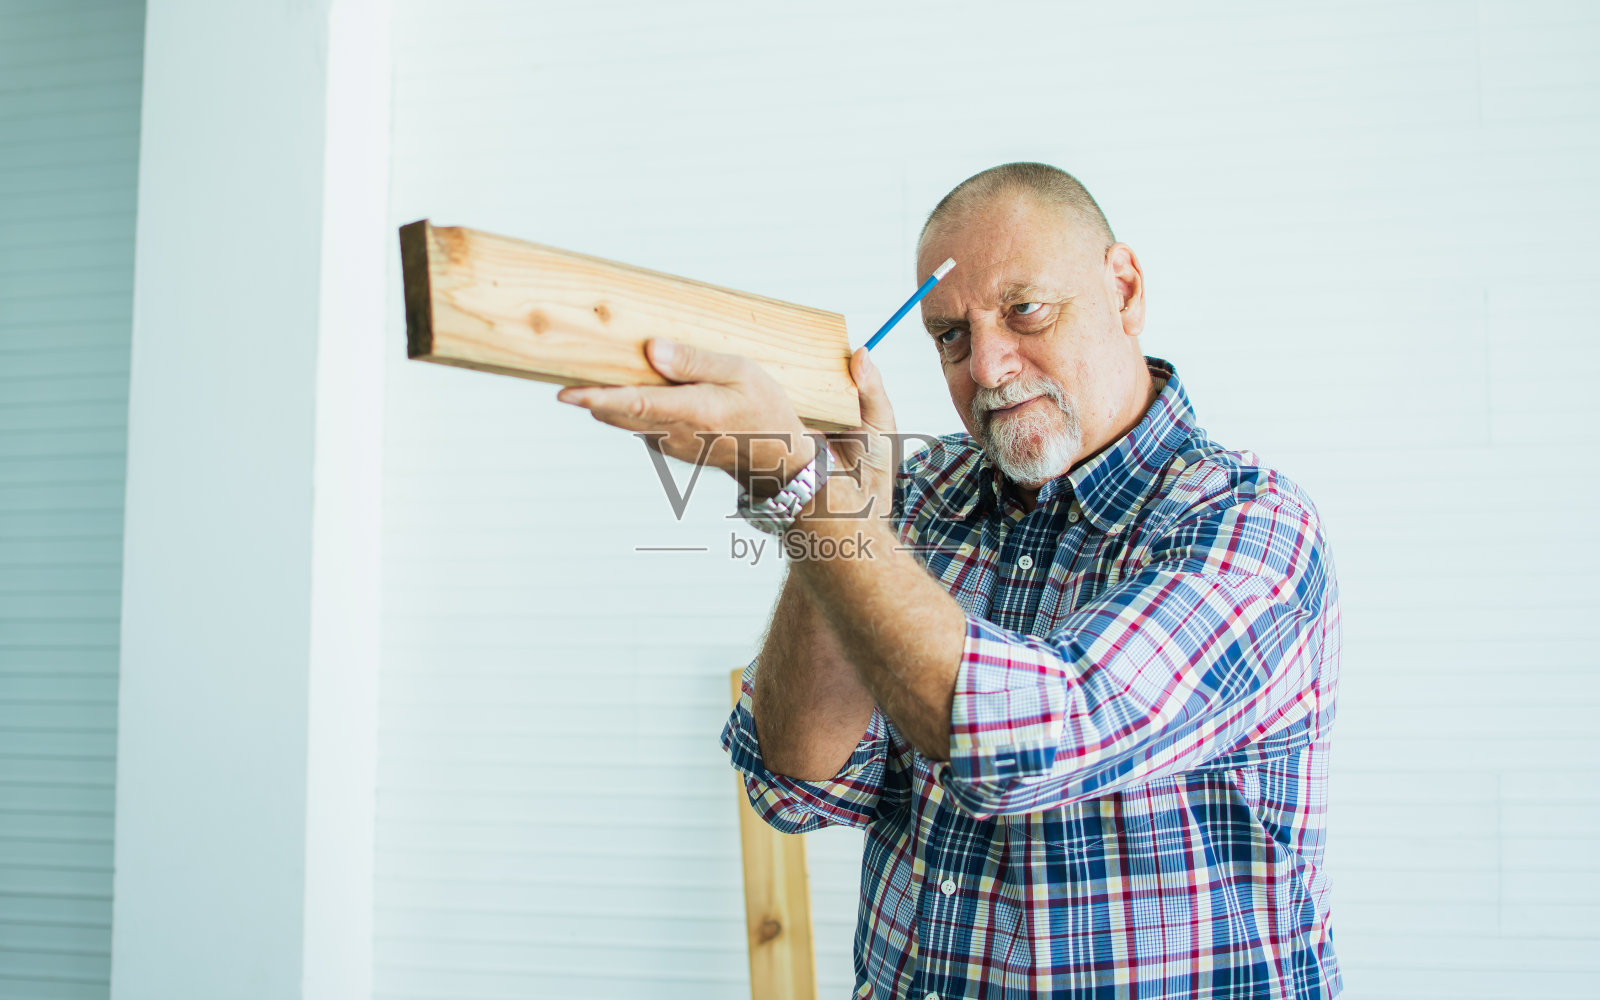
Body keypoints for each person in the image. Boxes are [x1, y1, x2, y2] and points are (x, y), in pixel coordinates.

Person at [558, 162, 1342, 999]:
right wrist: (841, 511)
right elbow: (796, 781)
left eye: (1024, 310)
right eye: (951, 337)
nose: (991, 368)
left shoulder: (1252, 528)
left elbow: (1029, 740)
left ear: (1124, 288)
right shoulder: (922, 495)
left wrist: (805, 491)